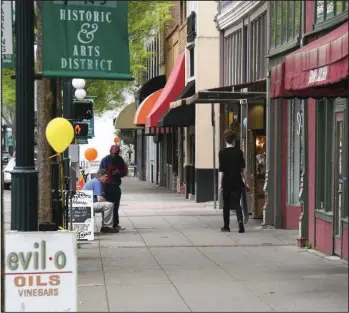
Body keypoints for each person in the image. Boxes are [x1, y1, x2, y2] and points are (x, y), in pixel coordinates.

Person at [218, 129, 249, 233]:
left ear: (225, 140)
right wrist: (246, 181)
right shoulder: (239, 152)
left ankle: (226, 226)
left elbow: (221, 170)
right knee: (237, 203)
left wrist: (220, 184)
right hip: (237, 180)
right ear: (234, 140)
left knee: (226, 204)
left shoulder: (222, 153)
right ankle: (240, 222)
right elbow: (244, 169)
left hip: (226, 181)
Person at [99, 145, 128, 230]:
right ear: (110, 152)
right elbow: (100, 172)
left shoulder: (120, 160)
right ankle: (106, 224)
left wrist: (118, 172)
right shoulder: (105, 160)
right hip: (106, 186)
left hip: (115, 185)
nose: (114, 155)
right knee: (107, 206)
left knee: (115, 206)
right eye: (113, 153)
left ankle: (114, 224)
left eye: (116, 153)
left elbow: (124, 171)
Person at [82, 169, 119, 233]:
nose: (107, 178)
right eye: (106, 176)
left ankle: (105, 225)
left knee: (106, 205)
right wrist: (109, 202)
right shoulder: (97, 182)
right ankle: (107, 226)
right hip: (88, 204)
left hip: (86, 203)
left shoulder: (94, 181)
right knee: (109, 205)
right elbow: (99, 199)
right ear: (100, 176)